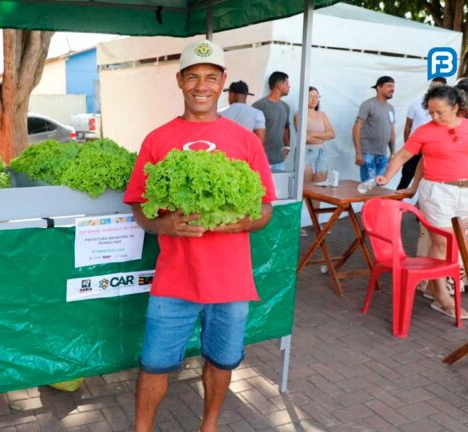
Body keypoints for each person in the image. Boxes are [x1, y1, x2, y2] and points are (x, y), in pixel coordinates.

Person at [124, 40, 276, 432]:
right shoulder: (156, 140)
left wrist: (240, 222)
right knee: (155, 362)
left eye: (211, 77)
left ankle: (209, 426)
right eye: (193, 77)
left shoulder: (245, 141)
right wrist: (164, 225)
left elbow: (264, 210)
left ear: (223, 82)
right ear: (179, 81)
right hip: (174, 277)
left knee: (222, 360)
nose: (201, 86)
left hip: (230, 280)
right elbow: (139, 207)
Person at [376, 85, 468, 319]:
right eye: (431, 112)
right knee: (443, 242)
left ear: (456, 108)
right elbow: (404, 155)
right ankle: (442, 296)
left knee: (452, 244)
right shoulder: (426, 131)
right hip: (437, 191)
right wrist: (387, 175)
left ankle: (436, 288)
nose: (434, 117)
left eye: (440, 112)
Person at [396, 77, 446, 190]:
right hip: (416, 147)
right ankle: (395, 204)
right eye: (432, 87)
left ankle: (420, 204)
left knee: (430, 179)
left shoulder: (448, 107)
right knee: (406, 178)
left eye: (438, 88)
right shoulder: (417, 102)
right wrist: (408, 145)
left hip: (435, 149)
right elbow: (408, 125)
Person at [353, 76, 396, 182]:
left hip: (383, 154)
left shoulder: (391, 108)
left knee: (379, 185)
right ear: (379, 88)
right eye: (389, 86)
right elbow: (356, 128)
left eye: (393, 86)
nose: (392, 89)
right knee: (368, 186)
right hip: (368, 153)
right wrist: (358, 153)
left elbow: (391, 132)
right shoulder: (368, 105)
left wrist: (393, 153)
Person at [294, 86, 335, 184]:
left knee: (320, 187)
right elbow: (304, 138)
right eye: (310, 97)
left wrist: (312, 134)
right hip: (306, 152)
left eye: (316, 97)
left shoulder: (322, 114)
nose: (314, 100)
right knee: (305, 187)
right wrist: (322, 137)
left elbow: (332, 134)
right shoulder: (299, 115)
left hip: (322, 152)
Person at [252, 71, 291, 170]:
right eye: (286, 83)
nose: (289, 86)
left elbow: (286, 128)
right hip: (262, 159)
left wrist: (287, 146)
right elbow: (252, 130)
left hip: (279, 160)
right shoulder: (259, 105)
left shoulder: (286, 107)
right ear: (279, 85)